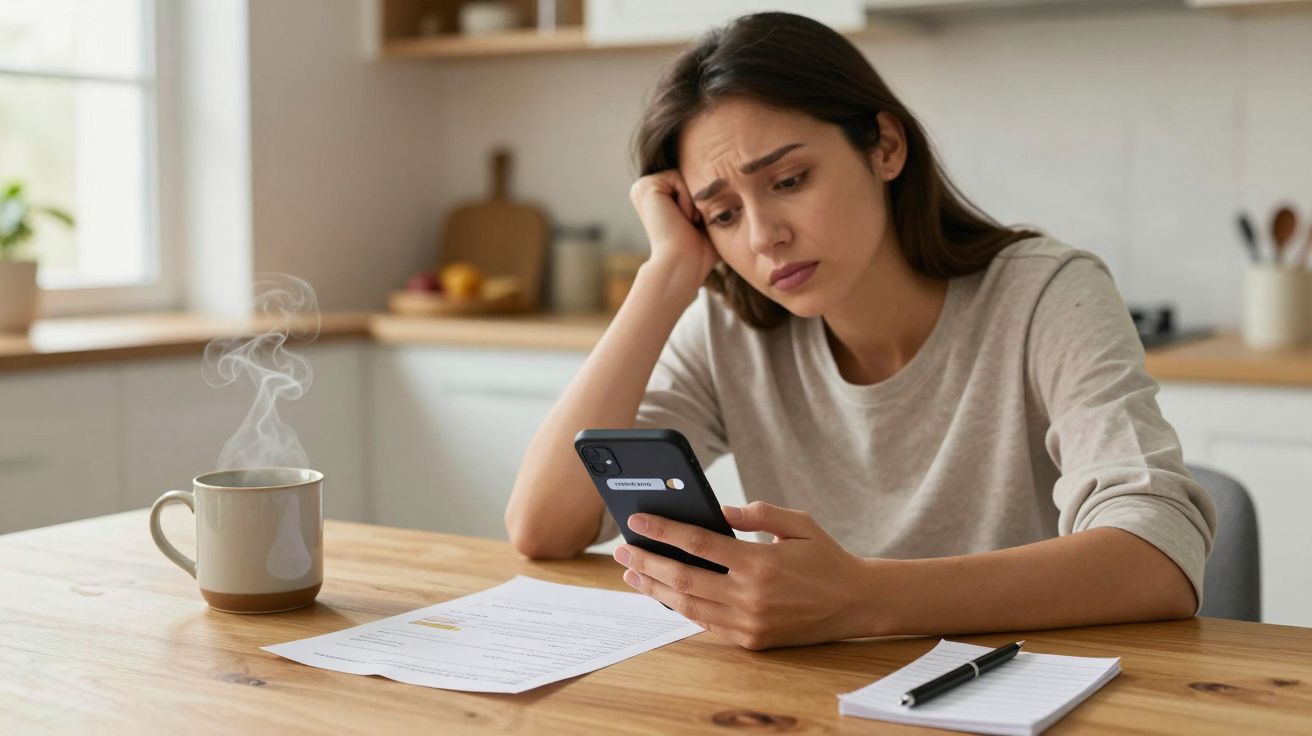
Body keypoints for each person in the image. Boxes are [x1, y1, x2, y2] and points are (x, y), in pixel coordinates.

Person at [504, 12, 1217, 651]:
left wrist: (856, 598)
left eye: (788, 180)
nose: (765, 236)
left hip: (1014, 692)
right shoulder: (733, 330)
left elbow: (1158, 556)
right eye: (722, 214)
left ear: (884, 147)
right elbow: (543, 525)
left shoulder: (1044, 294)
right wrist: (664, 278)